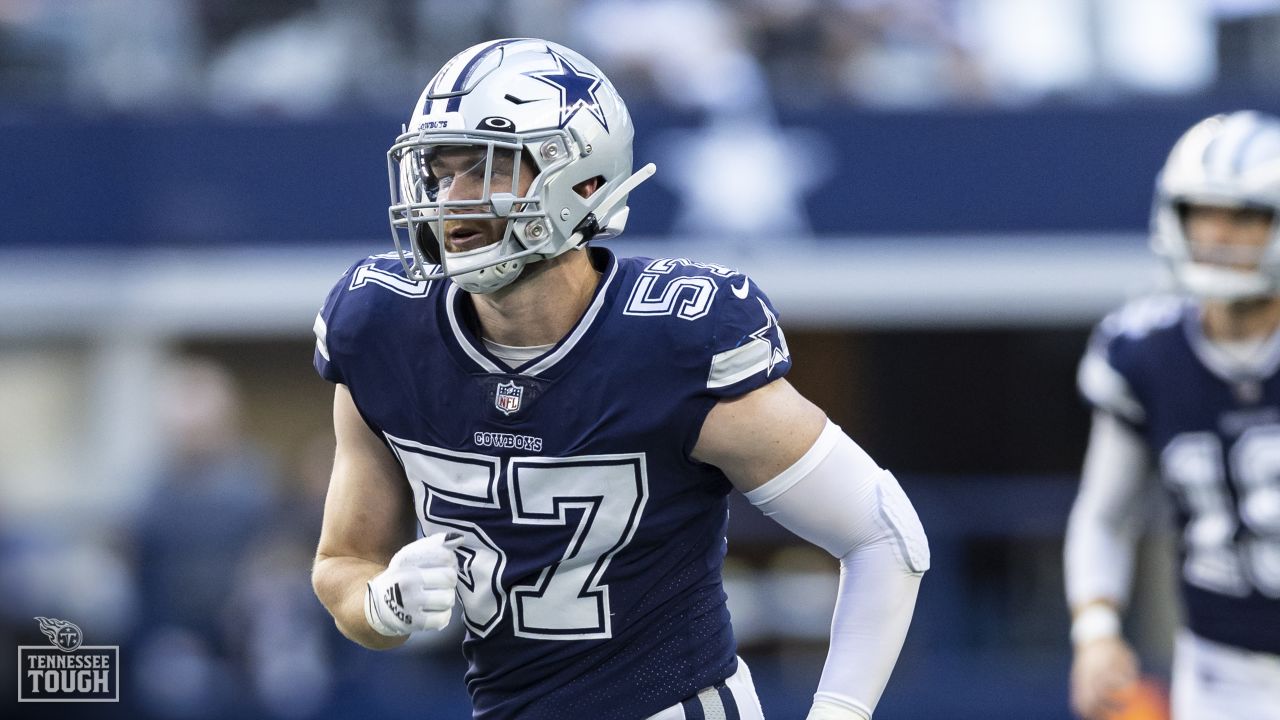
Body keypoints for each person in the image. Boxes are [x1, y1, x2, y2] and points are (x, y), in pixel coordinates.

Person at [309, 38, 928, 720]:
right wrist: (382, 604)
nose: (452, 200)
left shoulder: (668, 341)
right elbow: (343, 563)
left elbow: (883, 534)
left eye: (485, 170)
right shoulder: (382, 330)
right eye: (439, 171)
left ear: (583, 181)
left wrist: (840, 713)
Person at [1065, 110, 1280, 720]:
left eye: (1244, 215)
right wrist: (1097, 630)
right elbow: (1104, 513)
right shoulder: (1144, 352)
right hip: (1220, 667)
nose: (1218, 233)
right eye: (1202, 211)